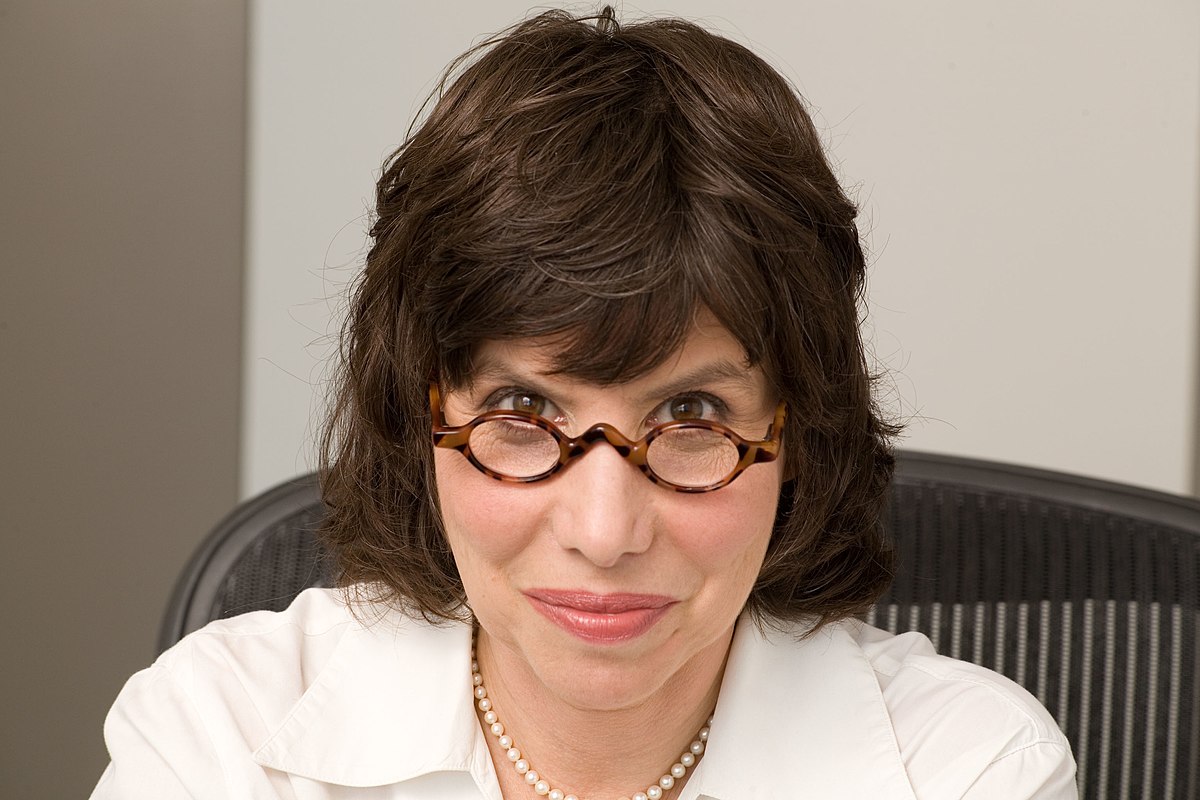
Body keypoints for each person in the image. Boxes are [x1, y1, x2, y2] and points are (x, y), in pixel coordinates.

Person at [92, 7, 1077, 799]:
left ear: (799, 436)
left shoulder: (970, 768)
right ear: (419, 416)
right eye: (522, 410)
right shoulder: (221, 736)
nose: (605, 535)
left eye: (692, 418)